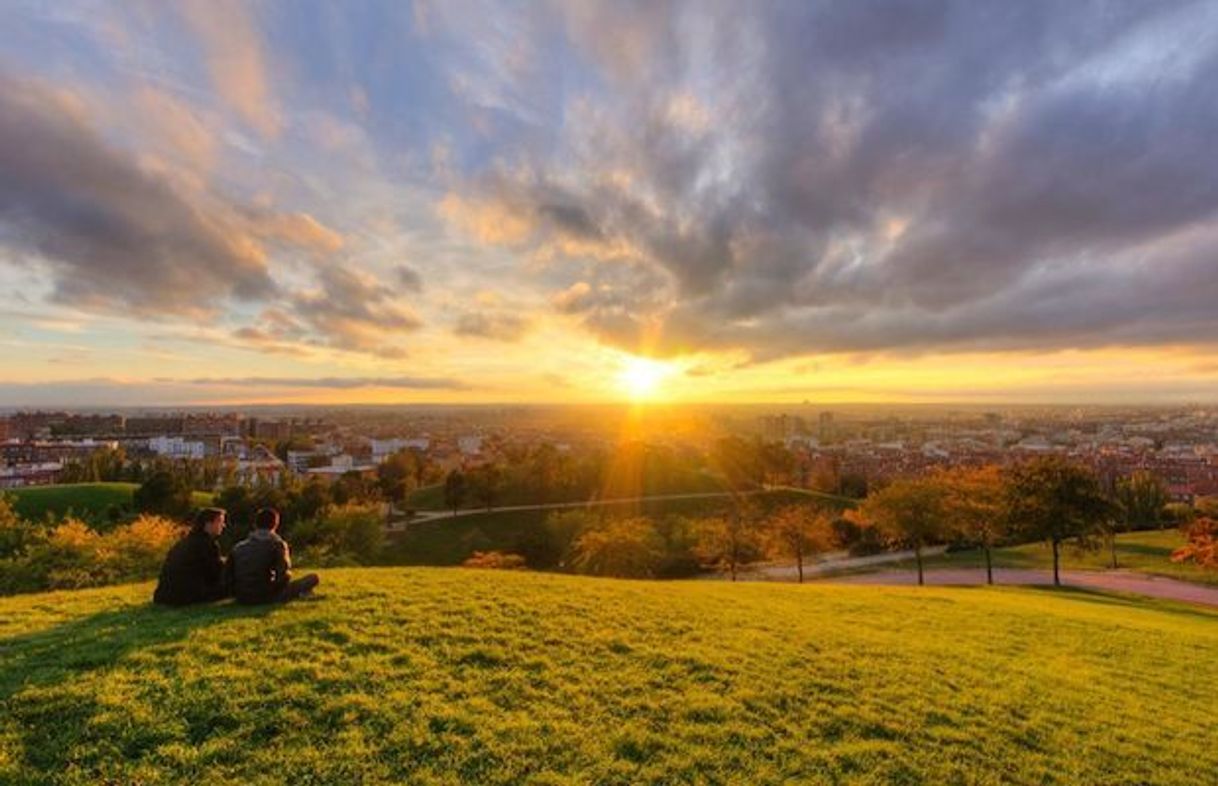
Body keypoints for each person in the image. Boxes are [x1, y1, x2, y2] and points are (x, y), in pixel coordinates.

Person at [229, 508, 320, 604]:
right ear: (275, 524)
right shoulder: (277, 544)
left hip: (241, 597)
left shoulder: (238, 547)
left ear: (255, 524)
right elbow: (283, 575)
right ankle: (302, 593)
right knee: (313, 578)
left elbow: (228, 577)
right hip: (266, 596)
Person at [153, 507, 230, 606]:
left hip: (164, 596)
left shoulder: (183, 543)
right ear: (208, 524)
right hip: (188, 596)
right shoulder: (207, 544)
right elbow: (216, 574)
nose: (223, 525)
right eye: (220, 521)